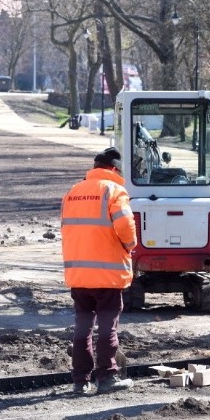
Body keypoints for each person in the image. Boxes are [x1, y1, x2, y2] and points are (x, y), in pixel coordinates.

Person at [61, 147, 137, 394]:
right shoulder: (114, 190)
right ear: (114, 169)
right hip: (108, 275)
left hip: (79, 275)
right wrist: (130, 246)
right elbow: (125, 226)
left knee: (82, 328)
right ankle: (107, 377)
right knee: (107, 327)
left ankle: (80, 381)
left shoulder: (73, 192)